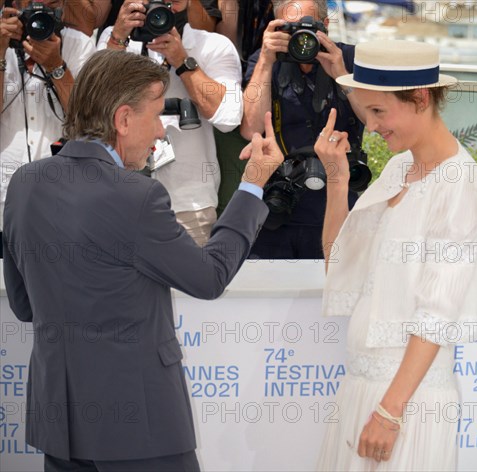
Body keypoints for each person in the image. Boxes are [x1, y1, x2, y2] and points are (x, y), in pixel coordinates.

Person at [2, 49, 282, 471]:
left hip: (60, 427)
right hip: (140, 429)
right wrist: (253, 185)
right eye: (155, 117)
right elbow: (209, 277)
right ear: (123, 119)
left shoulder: (24, 184)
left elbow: (24, 306)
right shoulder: (137, 195)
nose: (161, 134)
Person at [314, 40, 477, 471]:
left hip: (408, 404)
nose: (371, 126)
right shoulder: (397, 170)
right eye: (367, 111)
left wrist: (390, 413)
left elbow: (437, 313)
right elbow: (339, 262)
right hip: (361, 389)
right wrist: (337, 180)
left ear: (420, 97)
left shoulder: (460, 182)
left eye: (379, 112)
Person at [98, 0, 242, 246]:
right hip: (121, 202)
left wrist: (183, 62)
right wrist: (119, 38)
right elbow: (93, 108)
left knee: (191, 284)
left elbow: (229, 118)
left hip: (190, 203)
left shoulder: (213, 45)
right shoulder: (116, 39)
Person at [241, 0, 365, 260]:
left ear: (327, 25)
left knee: (337, 287)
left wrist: (341, 75)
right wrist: (265, 59)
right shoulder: (267, 60)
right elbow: (249, 129)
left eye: (309, 27)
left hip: (338, 200)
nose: (301, 38)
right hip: (278, 203)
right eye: (291, 29)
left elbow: (374, 121)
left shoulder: (350, 58)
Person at [0, 0, 95, 258]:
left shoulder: (79, 44)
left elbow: (89, 121)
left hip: (63, 198)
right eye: (32, 4)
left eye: (49, 4)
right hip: (3, 196)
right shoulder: (2, 38)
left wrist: (56, 66)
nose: (39, 11)